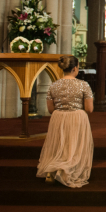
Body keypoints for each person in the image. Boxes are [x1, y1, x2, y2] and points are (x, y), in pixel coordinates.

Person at [37, 55, 94, 188]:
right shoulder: (83, 85)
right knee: (74, 146)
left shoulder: (53, 85)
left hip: (58, 117)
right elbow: (89, 109)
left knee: (61, 145)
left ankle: (53, 168)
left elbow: (50, 109)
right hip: (77, 117)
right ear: (75, 68)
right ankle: (67, 170)